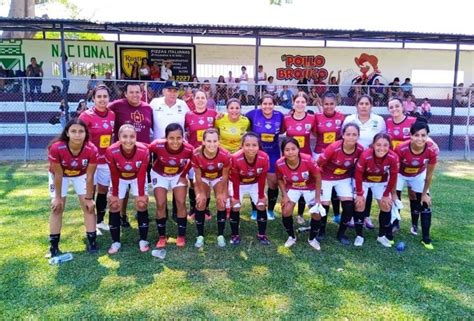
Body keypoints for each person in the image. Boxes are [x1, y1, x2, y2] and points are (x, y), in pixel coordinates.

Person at [47, 118, 98, 257]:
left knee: (88, 207)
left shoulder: (91, 149)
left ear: (86, 133)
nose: (77, 134)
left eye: (81, 131)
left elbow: (90, 176)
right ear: (67, 133)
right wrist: (57, 198)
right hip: (60, 175)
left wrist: (89, 198)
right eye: (73, 131)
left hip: (81, 174)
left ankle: (92, 242)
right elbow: (58, 174)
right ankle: (54, 246)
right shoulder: (57, 147)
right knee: (57, 208)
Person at [108, 82, 153, 227]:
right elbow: (101, 111)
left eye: (137, 92)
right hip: (122, 154)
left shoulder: (147, 108)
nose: (135, 95)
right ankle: (121, 214)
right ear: (125, 94)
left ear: (142, 93)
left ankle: (141, 211)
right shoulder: (116, 105)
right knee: (123, 185)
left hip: (142, 155)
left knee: (140, 183)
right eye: (131, 92)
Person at [105, 124, 150, 254]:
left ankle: (143, 240)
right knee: (114, 205)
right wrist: (114, 194)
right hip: (119, 177)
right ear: (118, 137)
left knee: (141, 204)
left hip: (137, 177)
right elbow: (113, 173)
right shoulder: (111, 151)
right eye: (124, 136)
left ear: (136, 137)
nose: (128, 140)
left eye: (132, 136)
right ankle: (116, 242)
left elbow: (142, 173)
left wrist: (141, 194)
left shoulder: (143, 150)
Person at [343, 95, 386, 229]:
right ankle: (350, 216)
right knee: (352, 187)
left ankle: (365, 216)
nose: (364, 106)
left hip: (372, 160)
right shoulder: (349, 119)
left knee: (369, 187)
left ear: (371, 105)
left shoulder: (379, 120)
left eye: (367, 103)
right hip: (352, 158)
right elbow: (343, 136)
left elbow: (383, 138)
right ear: (356, 105)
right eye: (361, 103)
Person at [394, 120, 439, 249]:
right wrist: (393, 193)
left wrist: (425, 194)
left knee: (425, 203)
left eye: (423, 135)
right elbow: (394, 170)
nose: (420, 138)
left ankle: (425, 238)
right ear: (411, 136)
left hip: (418, 174)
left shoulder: (431, 149)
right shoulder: (401, 148)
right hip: (400, 174)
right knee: (394, 200)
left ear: (427, 136)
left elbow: (429, 175)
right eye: (417, 135)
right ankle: (392, 226)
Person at [317, 123, 364, 245]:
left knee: (348, 207)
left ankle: (341, 233)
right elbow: (319, 163)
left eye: (354, 134)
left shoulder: (360, 149)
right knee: (324, 205)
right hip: (326, 177)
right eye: (348, 134)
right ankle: (321, 231)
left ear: (358, 136)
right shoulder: (333, 148)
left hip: (343, 178)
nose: (351, 137)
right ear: (343, 135)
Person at [149, 123, 194, 249]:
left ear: (183, 137)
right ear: (166, 138)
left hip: (178, 175)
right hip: (159, 174)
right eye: (171, 138)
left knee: (180, 202)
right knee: (161, 204)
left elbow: (194, 160)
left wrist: (184, 175)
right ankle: (162, 237)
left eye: (178, 138)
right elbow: (144, 150)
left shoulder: (188, 148)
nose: (175, 142)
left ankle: (181, 235)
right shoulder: (157, 144)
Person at [79, 84, 115, 234]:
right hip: (90, 161)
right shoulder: (86, 116)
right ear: (93, 98)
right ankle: (91, 221)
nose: (102, 99)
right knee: (90, 190)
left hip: (105, 160)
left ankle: (100, 220)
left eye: (105, 96)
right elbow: (79, 137)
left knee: (103, 189)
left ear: (108, 98)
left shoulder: (112, 114)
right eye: (99, 96)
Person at [276, 137, 323, 250]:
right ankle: (292, 237)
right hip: (293, 187)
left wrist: (317, 198)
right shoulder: (280, 163)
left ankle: (312, 239)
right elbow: (279, 179)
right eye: (287, 150)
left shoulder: (308, 160)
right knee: (286, 211)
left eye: (293, 148)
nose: (290, 152)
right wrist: (285, 195)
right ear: (283, 151)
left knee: (316, 213)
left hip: (309, 187)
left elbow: (318, 177)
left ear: (298, 149)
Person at [354, 133, 399, 247]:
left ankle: (381, 236)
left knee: (386, 205)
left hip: (380, 182)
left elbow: (393, 177)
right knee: (360, 204)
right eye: (378, 144)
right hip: (364, 181)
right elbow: (358, 174)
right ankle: (359, 235)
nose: (382, 148)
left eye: (385, 145)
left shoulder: (393, 157)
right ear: (373, 145)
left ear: (389, 146)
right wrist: (359, 194)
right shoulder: (365, 155)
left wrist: (386, 194)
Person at [245, 94, 284, 220]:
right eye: (265, 104)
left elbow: (282, 130)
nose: (267, 106)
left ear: (274, 104)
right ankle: (255, 210)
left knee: (273, 182)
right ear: (261, 105)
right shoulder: (253, 114)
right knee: (255, 181)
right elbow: (240, 120)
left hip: (273, 153)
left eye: (270, 103)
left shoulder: (279, 116)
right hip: (256, 154)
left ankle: (271, 211)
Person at [191, 128, 231, 248]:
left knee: (221, 202)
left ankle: (220, 235)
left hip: (218, 177)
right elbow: (197, 176)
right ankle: (200, 235)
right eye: (208, 141)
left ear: (219, 141)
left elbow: (225, 176)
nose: (212, 144)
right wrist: (200, 193)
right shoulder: (196, 154)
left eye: (215, 141)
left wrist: (224, 193)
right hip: (202, 177)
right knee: (201, 201)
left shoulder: (225, 155)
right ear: (203, 142)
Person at [312, 92, 346, 231]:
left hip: (336, 154)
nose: (329, 106)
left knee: (335, 181)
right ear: (322, 104)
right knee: (322, 184)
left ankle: (337, 214)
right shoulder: (317, 117)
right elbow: (314, 133)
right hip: (320, 153)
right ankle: (320, 214)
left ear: (335, 104)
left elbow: (342, 135)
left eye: (331, 104)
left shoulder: (341, 117)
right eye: (326, 104)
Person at [229, 132, 270, 245]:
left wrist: (261, 196)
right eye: (247, 145)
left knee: (261, 205)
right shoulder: (235, 158)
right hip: (238, 184)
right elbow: (235, 179)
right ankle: (235, 234)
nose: (251, 148)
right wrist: (235, 197)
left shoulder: (264, 157)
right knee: (236, 206)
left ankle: (262, 234)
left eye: (254, 145)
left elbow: (262, 178)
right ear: (242, 145)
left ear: (258, 146)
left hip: (254, 183)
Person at [282, 92, 316, 224]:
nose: (300, 104)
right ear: (293, 103)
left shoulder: (312, 118)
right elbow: (280, 132)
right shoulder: (287, 119)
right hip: (290, 158)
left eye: (303, 102)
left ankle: (300, 214)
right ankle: (287, 209)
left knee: (305, 184)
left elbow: (317, 132)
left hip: (306, 156)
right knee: (291, 184)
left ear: (306, 104)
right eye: (297, 102)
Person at [184, 90, 218, 218]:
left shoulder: (213, 114)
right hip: (194, 155)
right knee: (193, 182)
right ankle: (193, 208)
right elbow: (184, 132)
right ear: (193, 99)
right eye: (197, 97)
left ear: (206, 99)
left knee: (207, 182)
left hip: (210, 154)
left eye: (202, 97)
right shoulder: (188, 115)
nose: (200, 100)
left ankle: (206, 208)